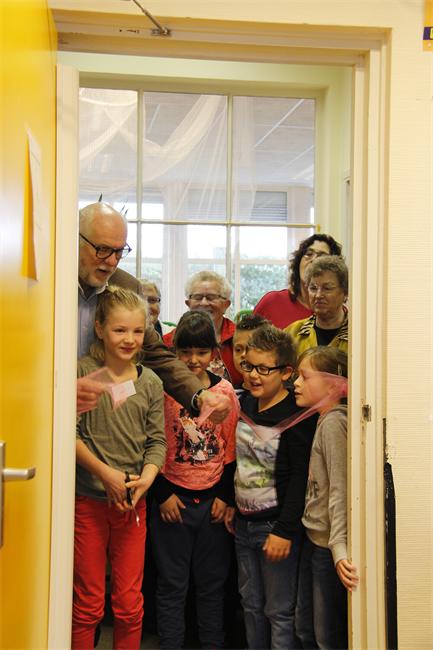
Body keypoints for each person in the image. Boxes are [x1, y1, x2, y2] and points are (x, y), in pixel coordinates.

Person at [72, 286, 167, 650]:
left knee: (129, 605)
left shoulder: (150, 382)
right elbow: (68, 434)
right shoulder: (82, 373)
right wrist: (104, 473)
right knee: (88, 604)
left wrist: (148, 478)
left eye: (138, 331)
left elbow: (157, 442)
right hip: (88, 503)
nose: (129, 339)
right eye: (120, 330)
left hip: (132, 505)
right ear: (99, 328)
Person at [76, 202, 230, 422]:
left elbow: (155, 353)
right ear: (76, 240)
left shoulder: (127, 285)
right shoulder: (48, 284)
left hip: (105, 417)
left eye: (119, 252)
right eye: (102, 249)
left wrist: (199, 395)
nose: (111, 261)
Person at [150, 310, 239, 650]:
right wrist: (162, 494)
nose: (192, 360)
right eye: (185, 352)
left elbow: (230, 448)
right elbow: (152, 442)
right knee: (171, 585)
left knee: (212, 585)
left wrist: (225, 496)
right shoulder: (162, 389)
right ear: (174, 352)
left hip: (212, 501)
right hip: (172, 498)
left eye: (201, 352)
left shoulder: (225, 392)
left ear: (214, 353)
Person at [225, 325, 317, 649]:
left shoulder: (297, 416)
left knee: (278, 611)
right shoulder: (245, 405)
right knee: (250, 605)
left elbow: (300, 478)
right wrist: (232, 502)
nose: (253, 375)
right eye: (248, 366)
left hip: (274, 526)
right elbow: (239, 460)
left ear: (286, 372)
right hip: (244, 524)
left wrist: (284, 530)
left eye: (264, 369)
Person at [293, 347, 358, 648]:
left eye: (305, 377)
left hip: (325, 546)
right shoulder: (324, 419)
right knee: (305, 627)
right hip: (313, 538)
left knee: (325, 636)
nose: (296, 383)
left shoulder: (334, 423)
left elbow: (340, 489)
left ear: (333, 386)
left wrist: (339, 548)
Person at [163, 270, 243, 386]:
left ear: (226, 305)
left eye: (211, 297)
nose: (204, 303)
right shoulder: (169, 341)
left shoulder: (240, 338)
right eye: (198, 297)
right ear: (188, 303)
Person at [253, 234, 342, 329]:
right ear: (298, 263)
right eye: (309, 254)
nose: (313, 259)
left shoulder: (341, 315)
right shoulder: (272, 302)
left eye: (321, 256)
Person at [285, 255, 348, 357]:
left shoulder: (358, 335)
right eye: (313, 288)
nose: (318, 295)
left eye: (327, 288)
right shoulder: (293, 333)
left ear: (345, 292)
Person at [232, 312, 270, 387]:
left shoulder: (277, 391)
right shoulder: (231, 391)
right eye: (238, 350)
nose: (243, 354)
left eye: (250, 349)